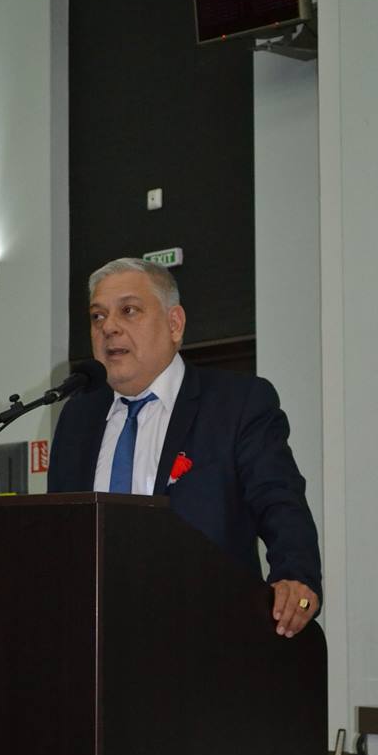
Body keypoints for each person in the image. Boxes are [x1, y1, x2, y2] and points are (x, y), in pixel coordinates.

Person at [47, 258, 322, 638]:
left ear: (174, 323)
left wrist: (296, 576)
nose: (108, 327)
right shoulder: (78, 415)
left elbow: (279, 500)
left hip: (207, 634)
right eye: (98, 316)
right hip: (94, 636)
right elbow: (61, 532)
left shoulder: (236, 403)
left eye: (129, 311)